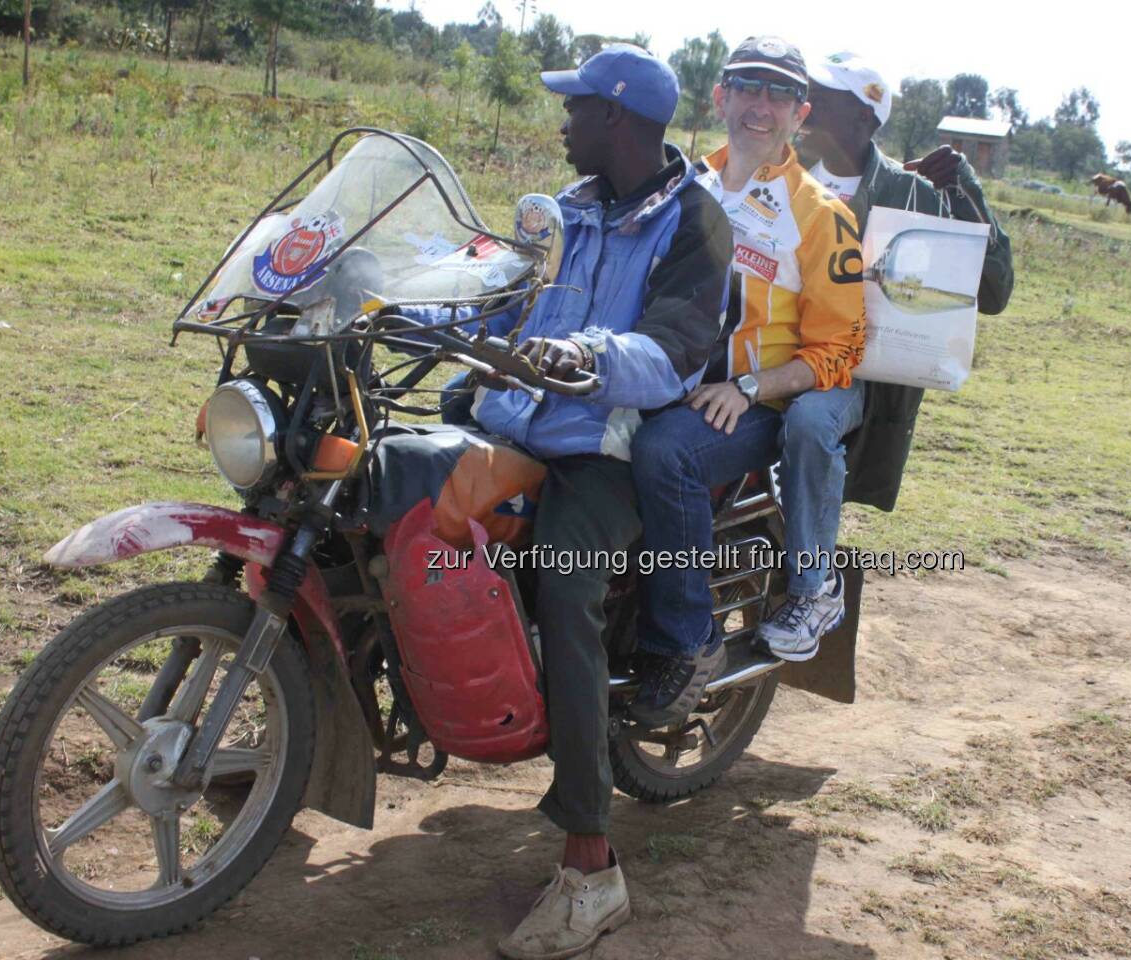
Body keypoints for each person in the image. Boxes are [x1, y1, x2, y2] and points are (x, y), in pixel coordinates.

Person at [406, 46, 732, 960]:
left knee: (562, 581)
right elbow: (511, 293)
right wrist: (410, 301)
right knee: (399, 497)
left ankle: (591, 864)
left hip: (610, 446)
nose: (562, 120)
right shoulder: (575, 206)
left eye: (575, 106)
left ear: (618, 118)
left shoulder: (696, 224)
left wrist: (589, 358)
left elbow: (675, 349)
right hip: (529, 420)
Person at [628, 36, 866, 726]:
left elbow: (842, 346)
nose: (762, 106)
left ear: (801, 113)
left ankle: (687, 641)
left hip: (752, 402)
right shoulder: (680, 185)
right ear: (720, 96)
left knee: (665, 454)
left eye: (780, 94)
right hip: (658, 379)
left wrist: (751, 388)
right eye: (749, 88)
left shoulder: (820, 214)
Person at [795, 50, 1015, 513]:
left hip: (845, 378)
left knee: (810, 427)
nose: (805, 105)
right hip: (766, 353)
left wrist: (964, 191)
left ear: (863, 115)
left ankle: (813, 577)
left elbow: (993, 292)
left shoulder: (910, 195)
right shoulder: (780, 172)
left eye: (820, 97)